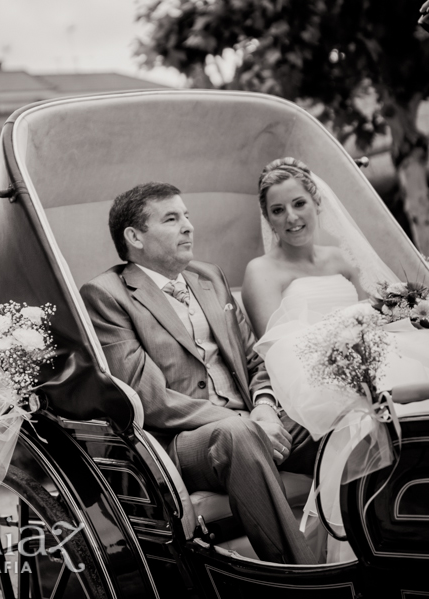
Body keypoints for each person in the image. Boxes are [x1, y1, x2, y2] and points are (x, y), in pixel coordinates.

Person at [80, 182, 317, 565]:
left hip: (252, 420)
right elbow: (149, 399)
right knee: (238, 434)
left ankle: (372, 550)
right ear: (134, 237)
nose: (188, 226)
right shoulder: (106, 294)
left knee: (336, 420)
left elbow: (256, 361)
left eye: (187, 216)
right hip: (181, 442)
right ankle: (303, 579)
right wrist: (247, 419)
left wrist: (266, 409)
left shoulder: (209, 277)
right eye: (172, 219)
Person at [243, 157, 429, 562]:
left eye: (298, 204)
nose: (291, 217)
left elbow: (376, 322)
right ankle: (374, 548)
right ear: (268, 220)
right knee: (367, 419)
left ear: (316, 203)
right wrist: (357, 318)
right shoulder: (261, 272)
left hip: (364, 365)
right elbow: (278, 350)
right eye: (278, 210)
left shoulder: (341, 260)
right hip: (307, 389)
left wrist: (406, 310)